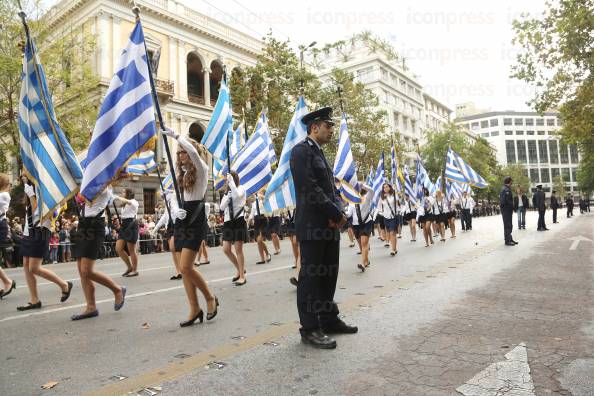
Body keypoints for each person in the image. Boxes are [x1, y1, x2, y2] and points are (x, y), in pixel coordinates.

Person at [290, 106, 357, 349]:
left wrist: (340, 212)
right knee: (310, 278)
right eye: (328, 126)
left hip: (329, 225)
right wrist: (334, 213)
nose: (331, 130)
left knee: (329, 274)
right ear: (314, 127)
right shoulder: (300, 152)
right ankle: (309, 328)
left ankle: (328, 319)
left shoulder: (320, 155)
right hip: (312, 225)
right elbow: (310, 188)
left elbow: (332, 188)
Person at [163, 127, 219, 327]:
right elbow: (177, 196)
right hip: (182, 219)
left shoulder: (202, 170)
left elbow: (194, 153)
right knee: (184, 270)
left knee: (186, 266)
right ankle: (194, 309)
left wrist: (178, 136)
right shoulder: (182, 174)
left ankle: (210, 297)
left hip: (195, 220)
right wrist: (177, 209)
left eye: (183, 151)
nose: (180, 155)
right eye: (178, 152)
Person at [17, 176, 73, 311]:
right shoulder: (31, 186)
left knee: (34, 268)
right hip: (29, 230)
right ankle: (34, 299)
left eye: (25, 174)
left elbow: (37, 210)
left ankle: (64, 284)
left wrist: (30, 193)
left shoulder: (44, 185)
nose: (23, 176)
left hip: (41, 229)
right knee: (26, 265)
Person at [70, 187, 126, 320]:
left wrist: (79, 191)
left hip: (95, 226)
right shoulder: (90, 179)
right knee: (80, 269)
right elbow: (79, 198)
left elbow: (83, 198)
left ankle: (117, 289)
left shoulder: (102, 182)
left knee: (87, 270)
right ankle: (91, 307)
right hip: (83, 224)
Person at [220, 171, 248, 286]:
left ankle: (242, 276)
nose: (227, 181)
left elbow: (237, 196)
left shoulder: (241, 188)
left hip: (238, 221)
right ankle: (239, 268)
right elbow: (222, 207)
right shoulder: (227, 192)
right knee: (226, 249)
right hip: (228, 222)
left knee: (238, 250)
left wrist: (232, 184)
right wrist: (227, 197)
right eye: (227, 180)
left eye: (229, 179)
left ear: (234, 178)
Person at [152, 189, 182, 280]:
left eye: (164, 196)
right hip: (169, 227)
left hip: (177, 225)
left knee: (174, 247)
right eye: (162, 197)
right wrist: (156, 228)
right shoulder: (167, 206)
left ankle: (182, 269)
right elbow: (164, 217)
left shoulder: (176, 201)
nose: (163, 199)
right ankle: (178, 271)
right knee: (173, 250)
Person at [112, 189, 140, 276]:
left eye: (123, 192)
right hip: (124, 225)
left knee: (131, 250)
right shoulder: (124, 204)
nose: (122, 193)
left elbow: (129, 202)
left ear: (128, 194)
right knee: (118, 248)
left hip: (131, 225)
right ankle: (129, 267)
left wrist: (117, 197)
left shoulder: (134, 201)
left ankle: (135, 270)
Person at [348, 184, 374, 271]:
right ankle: (366, 261)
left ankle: (363, 264)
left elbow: (372, 191)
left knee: (364, 243)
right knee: (360, 244)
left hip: (366, 222)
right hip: (356, 225)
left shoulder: (367, 197)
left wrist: (363, 185)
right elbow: (349, 213)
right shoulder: (351, 201)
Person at [248, 191, 271, 265]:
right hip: (257, 220)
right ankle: (262, 259)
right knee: (258, 241)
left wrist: (262, 196)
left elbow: (268, 200)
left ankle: (267, 254)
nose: (254, 195)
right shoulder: (254, 203)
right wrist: (249, 220)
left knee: (260, 240)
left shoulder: (263, 200)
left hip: (263, 219)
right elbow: (252, 212)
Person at [379, 183, 398, 256]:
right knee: (390, 232)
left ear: (390, 187)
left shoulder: (394, 195)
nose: (385, 188)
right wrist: (381, 213)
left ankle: (393, 250)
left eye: (387, 187)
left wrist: (399, 211)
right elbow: (379, 206)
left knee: (392, 233)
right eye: (384, 187)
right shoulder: (382, 197)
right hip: (386, 217)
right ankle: (395, 248)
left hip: (393, 216)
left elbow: (399, 204)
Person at [499, 176, 517, 246]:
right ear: (509, 181)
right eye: (511, 181)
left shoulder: (506, 188)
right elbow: (504, 201)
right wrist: (511, 207)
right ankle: (507, 240)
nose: (512, 182)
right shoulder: (505, 189)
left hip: (507, 210)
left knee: (509, 225)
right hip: (506, 210)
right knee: (507, 225)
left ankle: (510, 238)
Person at [285, 208, 301, 287]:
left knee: (296, 243)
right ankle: (299, 278)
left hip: (302, 219)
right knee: (294, 243)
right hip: (291, 220)